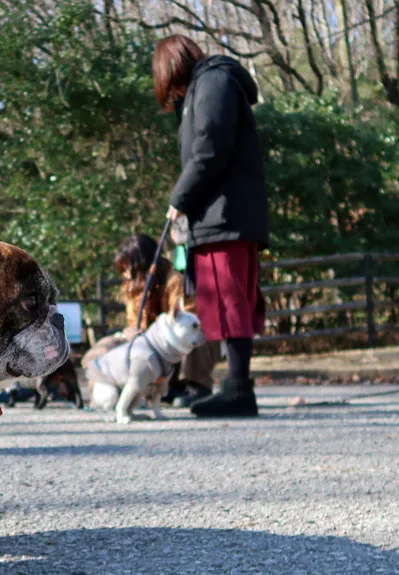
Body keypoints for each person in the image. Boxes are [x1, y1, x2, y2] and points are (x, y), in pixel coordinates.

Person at [153, 36, 269, 418]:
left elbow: (210, 149)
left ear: (175, 68)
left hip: (226, 217)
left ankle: (239, 390)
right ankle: (234, 385)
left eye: (171, 85)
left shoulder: (214, 83)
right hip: (218, 216)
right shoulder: (205, 87)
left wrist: (179, 199)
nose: (174, 95)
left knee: (232, 299)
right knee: (224, 299)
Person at [80, 234, 217, 406]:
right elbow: (133, 323)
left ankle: (195, 387)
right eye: (123, 270)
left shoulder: (174, 281)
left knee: (195, 336)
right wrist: (131, 334)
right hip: (142, 346)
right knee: (103, 348)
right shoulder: (131, 286)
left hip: (169, 345)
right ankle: (106, 393)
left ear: (142, 264)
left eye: (129, 268)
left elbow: (186, 321)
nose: (126, 275)